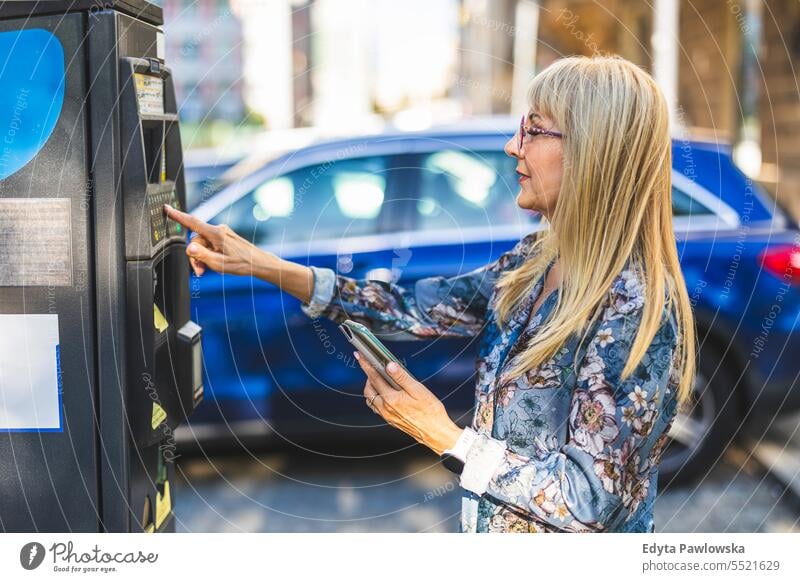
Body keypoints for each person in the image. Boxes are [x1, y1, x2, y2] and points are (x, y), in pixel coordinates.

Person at [164, 54, 696, 533]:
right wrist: (262, 263)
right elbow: (407, 307)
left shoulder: (636, 304)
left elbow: (589, 501)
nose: (513, 146)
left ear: (592, 152)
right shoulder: (536, 260)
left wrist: (446, 437)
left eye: (533, 130)